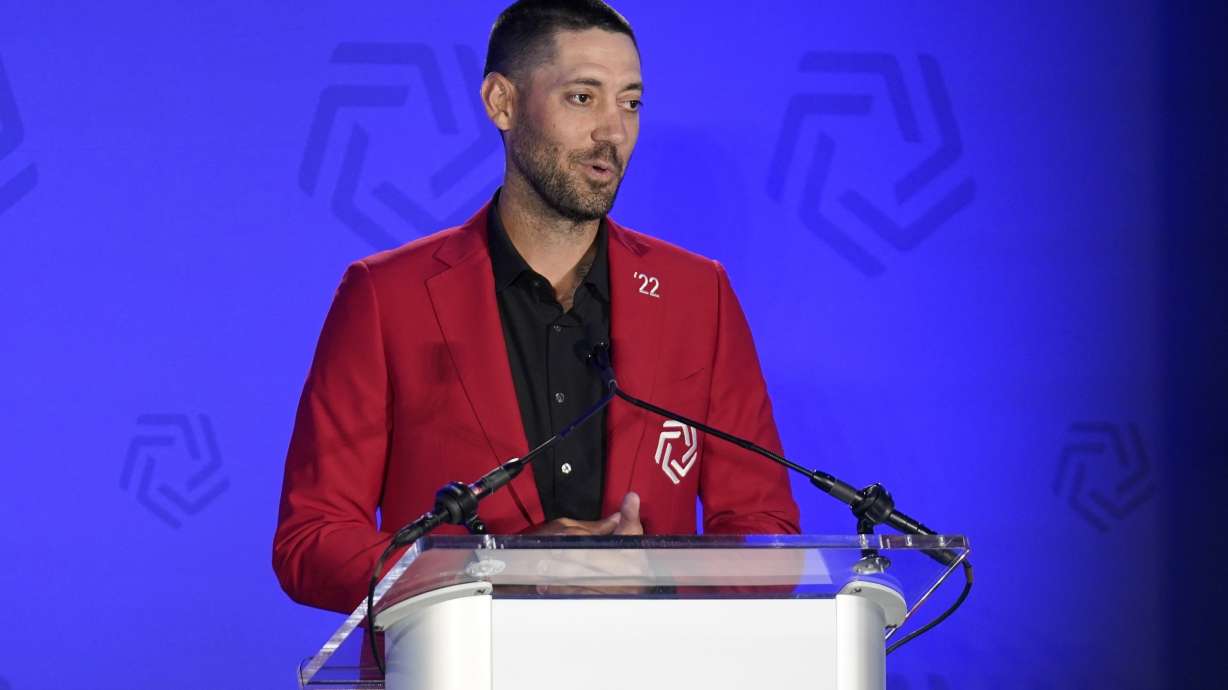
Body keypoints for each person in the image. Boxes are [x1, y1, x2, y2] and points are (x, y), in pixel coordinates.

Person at [273, 0, 800, 614]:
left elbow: (766, 532)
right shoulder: (386, 296)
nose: (613, 131)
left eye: (630, 102)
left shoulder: (697, 294)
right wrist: (497, 569)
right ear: (502, 102)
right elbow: (311, 541)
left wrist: (657, 577)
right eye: (583, 97)